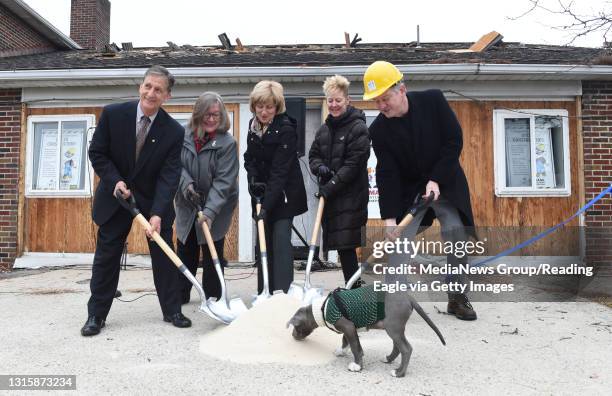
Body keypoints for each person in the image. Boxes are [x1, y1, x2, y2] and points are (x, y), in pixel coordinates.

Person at [363, 61, 477, 320]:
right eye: (376, 101)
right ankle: (393, 303)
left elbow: (453, 140)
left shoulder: (432, 101)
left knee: (455, 233)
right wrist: (390, 219)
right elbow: (387, 173)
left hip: (444, 182)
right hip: (410, 191)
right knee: (399, 242)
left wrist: (436, 179)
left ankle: (457, 299)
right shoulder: (378, 130)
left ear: (401, 89)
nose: (380, 106)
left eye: (385, 99)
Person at [82, 65, 190, 336]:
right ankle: (96, 314)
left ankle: (172, 310)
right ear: (140, 86)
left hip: (154, 201)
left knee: (164, 254)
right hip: (116, 196)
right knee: (107, 256)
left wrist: (158, 213)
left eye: (158, 90)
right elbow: (97, 153)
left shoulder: (174, 131)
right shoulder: (113, 114)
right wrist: (114, 181)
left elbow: (170, 175)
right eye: (148, 86)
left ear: (168, 96)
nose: (151, 93)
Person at [174, 92, 238, 304]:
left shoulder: (227, 143)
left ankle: (214, 297)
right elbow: (176, 165)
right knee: (186, 246)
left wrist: (209, 212)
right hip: (187, 200)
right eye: (207, 114)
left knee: (212, 249)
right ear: (198, 114)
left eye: (216, 115)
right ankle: (180, 294)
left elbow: (224, 182)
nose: (211, 119)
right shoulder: (182, 135)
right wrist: (187, 185)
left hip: (217, 204)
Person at [244, 80, 307, 293]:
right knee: (264, 244)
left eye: (269, 107)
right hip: (263, 195)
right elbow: (249, 158)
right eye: (260, 106)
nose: (264, 111)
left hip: (284, 196)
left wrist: (266, 208)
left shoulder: (286, 129)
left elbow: (280, 172)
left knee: (280, 242)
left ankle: (282, 295)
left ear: (277, 107)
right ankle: (265, 292)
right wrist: (252, 179)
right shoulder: (253, 127)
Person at [308, 75, 370, 287]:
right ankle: (354, 286)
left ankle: (354, 289)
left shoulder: (358, 127)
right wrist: (319, 167)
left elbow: (354, 165)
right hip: (333, 197)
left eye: (338, 100)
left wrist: (330, 186)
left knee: (346, 244)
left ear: (347, 100)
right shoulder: (324, 130)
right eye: (330, 101)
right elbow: (313, 155)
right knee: (343, 245)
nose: (334, 105)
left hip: (352, 197)